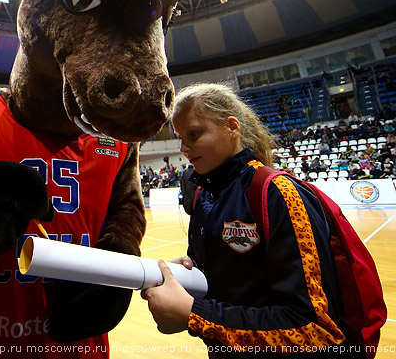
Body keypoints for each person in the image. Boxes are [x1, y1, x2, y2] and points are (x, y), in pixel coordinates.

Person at [142, 83, 361, 357]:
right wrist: (191, 274)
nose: (184, 148)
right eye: (180, 138)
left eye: (194, 134)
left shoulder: (279, 193)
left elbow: (316, 331)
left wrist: (195, 314)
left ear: (232, 127)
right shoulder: (200, 195)